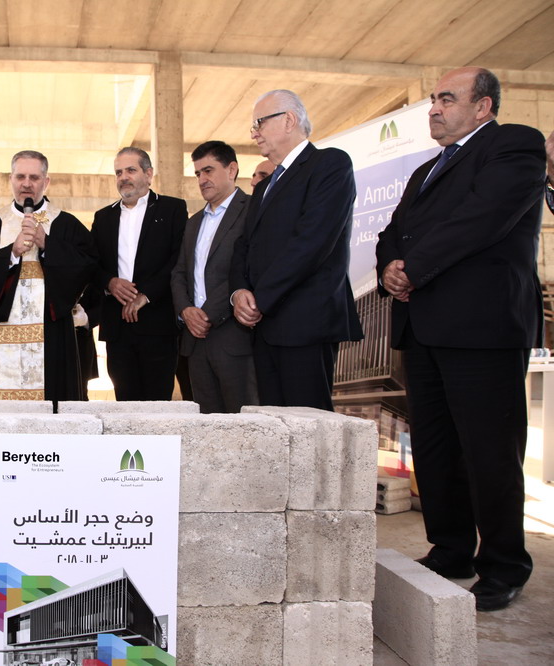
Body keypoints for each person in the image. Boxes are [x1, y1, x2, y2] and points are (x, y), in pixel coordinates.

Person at [376, 67, 546, 612]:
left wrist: (412, 267)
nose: (434, 107)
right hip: (424, 325)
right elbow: (392, 233)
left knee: (489, 451)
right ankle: (451, 550)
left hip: (481, 327)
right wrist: (389, 266)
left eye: (447, 98)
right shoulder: (426, 170)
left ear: (483, 106)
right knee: (436, 448)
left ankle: (503, 565)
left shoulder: (514, 145)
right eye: (433, 98)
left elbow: (481, 220)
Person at [230, 89, 363, 410]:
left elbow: (312, 243)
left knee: (308, 425)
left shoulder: (329, 164)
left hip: (305, 323)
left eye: (259, 123)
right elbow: (244, 245)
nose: (254, 133)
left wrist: (260, 299)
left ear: (289, 120)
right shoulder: (264, 186)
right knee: (273, 426)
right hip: (265, 327)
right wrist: (239, 292)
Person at [0, 150, 96, 401]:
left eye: (34, 177)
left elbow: (87, 266)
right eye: (20, 177)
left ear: (46, 182)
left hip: (51, 333)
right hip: (2, 331)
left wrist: (47, 244)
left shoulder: (65, 223)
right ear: (11, 179)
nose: (26, 184)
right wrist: (11, 253)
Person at [91, 147, 187, 401]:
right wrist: (110, 283)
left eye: (131, 170)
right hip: (118, 326)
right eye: (118, 172)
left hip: (158, 323)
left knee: (157, 405)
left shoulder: (173, 209)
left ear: (148, 174)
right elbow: (92, 264)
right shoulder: (103, 217)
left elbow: (178, 260)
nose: (124, 177)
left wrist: (145, 295)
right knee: (125, 402)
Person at [171, 141, 257, 413]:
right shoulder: (193, 222)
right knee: (208, 425)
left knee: (244, 424)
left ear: (231, 170)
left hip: (233, 336)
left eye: (208, 171)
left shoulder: (253, 210)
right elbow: (179, 273)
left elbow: (248, 270)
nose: (201, 179)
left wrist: (206, 315)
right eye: (197, 173)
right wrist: (186, 311)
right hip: (196, 341)